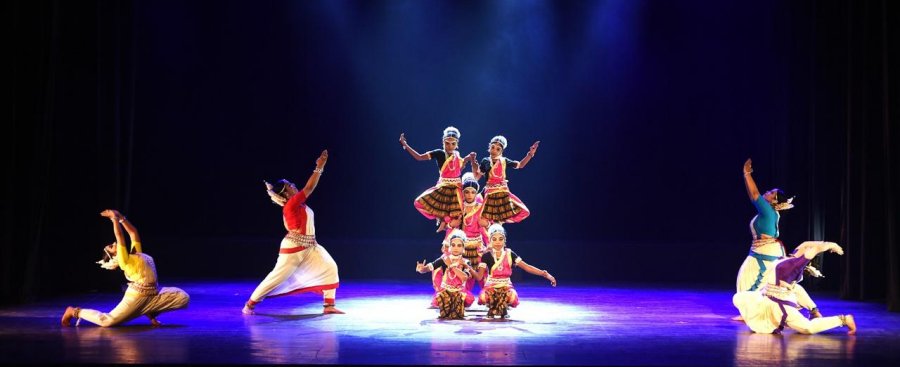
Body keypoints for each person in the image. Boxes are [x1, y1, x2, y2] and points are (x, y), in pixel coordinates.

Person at [243, 150, 343, 315]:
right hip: (295, 248)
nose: (294, 185)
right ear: (286, 192)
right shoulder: (291, 204)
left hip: (310, 246)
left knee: (330, 267)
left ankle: (329, 306)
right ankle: (250, 305)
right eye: (290, 185)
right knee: (277, 277)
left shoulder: (298, 205)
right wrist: (319, 167)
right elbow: (309, 187)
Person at [61, 209, 190, 327]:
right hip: (136, 297)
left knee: (183, 298)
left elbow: (133, 232)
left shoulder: (135, 253)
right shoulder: (124, 261)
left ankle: (150, 311)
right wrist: (114, 219)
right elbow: (120, 237)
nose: (113, 244)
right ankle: (74, 311)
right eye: (111, 247)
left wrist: (121, 217)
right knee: (107, 321)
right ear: (114, 256)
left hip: (153, 294)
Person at [733, 241, 857, 335]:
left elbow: (812, 249)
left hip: (780, 305)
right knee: (740, 298)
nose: (802, 248)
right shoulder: (791, 260)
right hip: (768, 298)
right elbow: (806, 245)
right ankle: (814, 312)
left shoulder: (792, 264)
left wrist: (829, 245)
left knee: (807, 328)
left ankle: (843, 319)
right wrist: (828, 245)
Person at [400, 127, 477, 232]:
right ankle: (442, 220)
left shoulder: (457, 155)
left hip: (456, 187)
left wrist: (468, 159)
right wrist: (405, 145)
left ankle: (451, 229)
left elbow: (459, 169)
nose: (450, 146)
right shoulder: (439, 153)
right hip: (444, 186)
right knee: (418, 203)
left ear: (457, 144)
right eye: (447, 143)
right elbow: (419, 157)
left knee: (461, 214)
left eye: (453, 144)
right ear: (443, 142)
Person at [473, 224, 556, 318]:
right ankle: (492, 307)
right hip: (491, 285)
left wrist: (544, 274)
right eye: (494, 239)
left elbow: (526, 267)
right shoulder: (486, 256)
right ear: (490, 241)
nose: (497, 242)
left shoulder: (509, 254)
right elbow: (479, 276)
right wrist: (468, 268)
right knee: (483, 297)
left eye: (500, 239)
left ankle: (504, 308)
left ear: (504, 240)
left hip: (506, 285)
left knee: (512, 298)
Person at [473, 136, 538, 224]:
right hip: (490, 193)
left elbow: (521, 165)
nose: (494, 150)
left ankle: (502, 222)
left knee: (524, 211)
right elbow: (476, 178)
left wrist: (530, 154)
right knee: (480, 218)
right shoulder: (485, 161)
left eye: (498, 149)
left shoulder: (504, 161)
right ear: (489, 147)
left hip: (503, 193)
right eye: (492, 147)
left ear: (501, 151)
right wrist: (473, 163)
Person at [416, 230, 476, 319]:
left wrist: (451, 266)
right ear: (450, 247)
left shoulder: (466, 262)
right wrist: (422, 269)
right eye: (453, 245)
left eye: (459, 245)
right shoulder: (444, 259)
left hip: (459, 291)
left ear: (463, 248)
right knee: (440, 302)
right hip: (446, 291)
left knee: (467, 300)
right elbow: (430, 267)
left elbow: (464, 277)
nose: (456, 248)